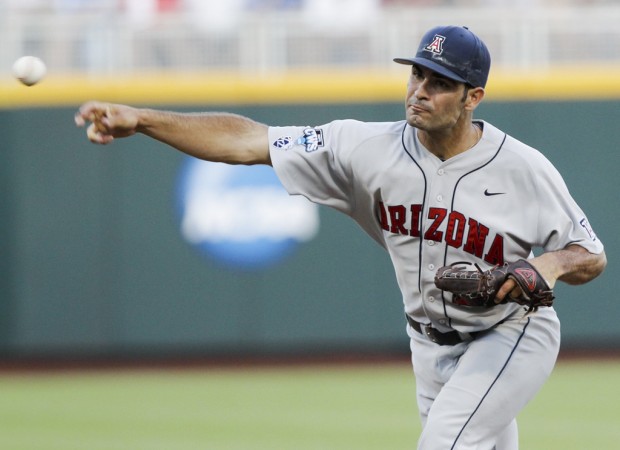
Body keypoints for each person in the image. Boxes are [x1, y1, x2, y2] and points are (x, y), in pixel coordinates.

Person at [75, 25, 606, 450]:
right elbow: (247, 140)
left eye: (439, 83)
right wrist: (142, 118)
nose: (420, 91)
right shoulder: (363, 147)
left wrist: (550, 266)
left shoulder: (522, 168)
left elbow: (591, 254)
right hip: (428, 343)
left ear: (474, 97)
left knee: (447, 442)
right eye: (417, 75)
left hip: (510, 334)